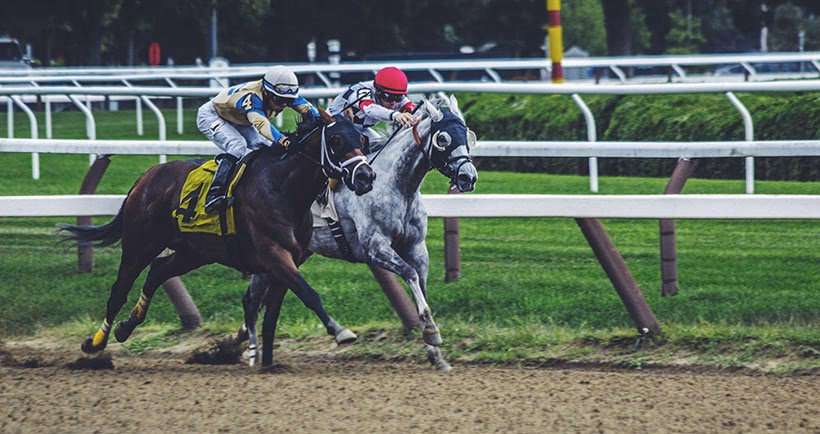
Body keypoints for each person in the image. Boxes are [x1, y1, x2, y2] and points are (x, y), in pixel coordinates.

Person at [197, 65, 320, 214]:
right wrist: (283, 140)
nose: (283, 105)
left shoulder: (281, 93)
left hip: (240, 119)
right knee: (237, 146)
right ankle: (215, 193)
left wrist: (327, 121)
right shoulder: (252, 97)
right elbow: (262, 124)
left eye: (287, 101)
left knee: (263, 145)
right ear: (266, 92)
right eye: (279, 100)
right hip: (212, 115)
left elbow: (308, 109)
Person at [326, 66, 419, 154]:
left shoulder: (392, 95)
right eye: (389, 97)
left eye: (398, 97)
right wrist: (395, 115)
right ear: (378, 91)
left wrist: (418, 118)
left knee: (386, 150)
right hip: (332, 125)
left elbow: (413, 109)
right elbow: (369, 109)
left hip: (360, 129)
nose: (394, 102)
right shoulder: (362, 90)